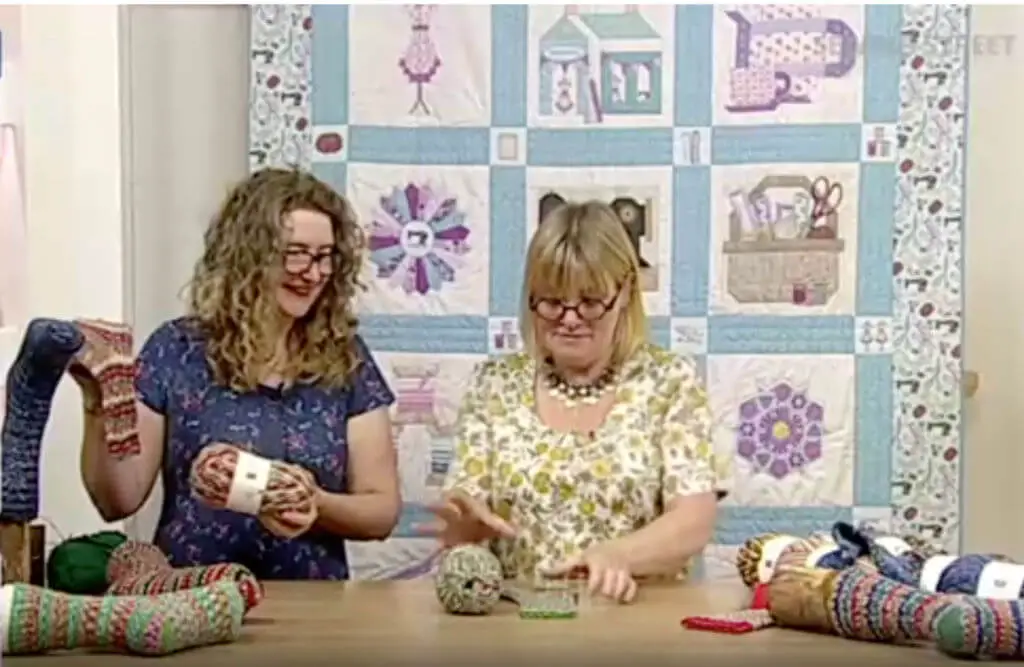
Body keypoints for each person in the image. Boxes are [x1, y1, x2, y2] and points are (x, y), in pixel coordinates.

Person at [76, 168, 401, 579]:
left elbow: (381, 512)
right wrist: (97, 403)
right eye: (296, 253)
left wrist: (314, 502)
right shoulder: (177, 350)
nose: (314, 273)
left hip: (313, 612)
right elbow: (117, 501)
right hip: (189, 605)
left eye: (324, 257)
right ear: (248, 254)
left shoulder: (345, 359)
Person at [426, 200, 729, 603]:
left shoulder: (670, 382)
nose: (570, 319)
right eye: (552, 301)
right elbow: (466, 505)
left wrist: (618, 555)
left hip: (640, 623)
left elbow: (694, 518)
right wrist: (464, 533)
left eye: (589, 302)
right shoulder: (493, 384)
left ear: (624, 292)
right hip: (519, 625)